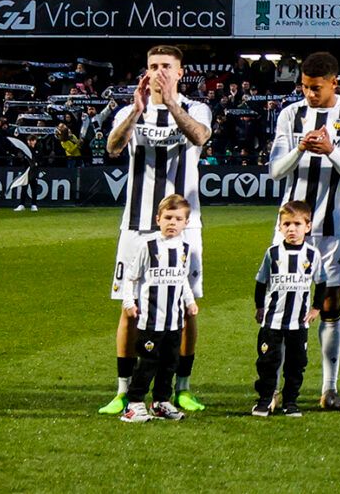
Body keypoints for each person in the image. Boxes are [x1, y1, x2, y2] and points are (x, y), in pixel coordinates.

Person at [101, 45, 211, 416]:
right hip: (137, 224)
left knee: (187, 308)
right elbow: (113, 148)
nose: (158, 72)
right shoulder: (129, 108)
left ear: (180, 72)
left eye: (166, 66)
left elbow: (198, 137)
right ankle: (122, 390)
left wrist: (171, 103)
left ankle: (181, 388)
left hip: (185, 227)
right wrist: (135, 111)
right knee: (128, 308)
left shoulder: (196, 108)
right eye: (153, 66)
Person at [268, 50, 340, 411]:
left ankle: (329, 389)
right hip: (291, 230)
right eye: (305, 87)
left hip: (333, 228)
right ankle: (276, 390)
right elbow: (275, 171)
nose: (310, 94)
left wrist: (331, 151)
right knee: (283, 308)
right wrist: (299, 148)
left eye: (316, 88)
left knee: (330, 305)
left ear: (334, 83)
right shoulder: (289, 115)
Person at [117, 194, 201, 424]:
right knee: (148, 363)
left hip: (174, 322)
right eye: (168, 217)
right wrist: (128, 302)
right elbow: (131, 278)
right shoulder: (148, 246)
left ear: (186, 222)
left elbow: (182, 279)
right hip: (151, 321)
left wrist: (190, 301)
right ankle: (134, 404)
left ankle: (161, 402)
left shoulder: (184, 248)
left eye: (178, 218)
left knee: (169, 364)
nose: (172, 222)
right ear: (158, 219)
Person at [252, 201, 322, 418]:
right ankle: (265, 400)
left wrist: (316, 309)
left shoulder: (312, 255)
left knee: (296, 363)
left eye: (297, 224)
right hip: (272, 320)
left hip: (298, 322)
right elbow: (261, 282)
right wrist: (259, 306)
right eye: (287, 224)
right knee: (267, 362)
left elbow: (322, 283)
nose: (292, 229)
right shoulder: (272, 253)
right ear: (280, 227)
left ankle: (290, 402)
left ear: (307, 226)